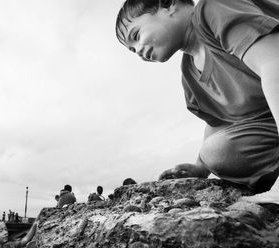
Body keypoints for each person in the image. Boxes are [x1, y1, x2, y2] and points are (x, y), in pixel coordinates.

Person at [115, 0, 279, 204]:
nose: (138, 51)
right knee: (217, 152)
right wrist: (201, 166)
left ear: (168, 5)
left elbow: (274, 62)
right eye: (132, 50)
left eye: (136, 36)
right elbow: (218, 122)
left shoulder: (213, 10)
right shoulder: (189, 74)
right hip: (268, 127)